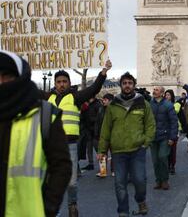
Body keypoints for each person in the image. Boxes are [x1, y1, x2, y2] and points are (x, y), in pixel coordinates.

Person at [0, 50, 72, 217]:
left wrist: (48, 208)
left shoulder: (44, 115)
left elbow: (61, 166)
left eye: (7, 76)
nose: (1, 82)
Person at [45, 59, 111, 217]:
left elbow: (93, 89)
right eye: (59, 81)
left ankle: (72, 204)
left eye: (64, 81)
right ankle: (54, 210)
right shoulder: (47, 97)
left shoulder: (76, 97)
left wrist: (103, 73)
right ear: (55, 83)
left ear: (69, 83)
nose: (62, 84)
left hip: (70, 145)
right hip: (50, 146)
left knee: (72, 182)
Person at [98, 72, 155, 216]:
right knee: (120, 184)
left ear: (134, 86)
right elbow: (106, 129)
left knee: (139, 180)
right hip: (118, 151)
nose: (127, 86)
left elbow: (150, 125)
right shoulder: (112, 106)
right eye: (124, 83)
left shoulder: (144, 104)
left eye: (130, 83)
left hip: (137, 149)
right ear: (121, 85)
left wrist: (146, 142)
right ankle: (123, 211)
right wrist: (102, 150)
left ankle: (140, 200)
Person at [150, 86, 178, 190]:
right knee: (155, 160)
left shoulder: (168, 105)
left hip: (165, 136)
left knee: (162, 157)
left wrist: (172, 137)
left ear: (162, 93)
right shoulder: (150, 104)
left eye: (156, 90)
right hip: (153, 136)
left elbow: (174, 122)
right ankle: (158, 180)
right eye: (153, 90)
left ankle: (165, 180)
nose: (154, 91)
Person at [94, 93, 114, 177]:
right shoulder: (100, 109)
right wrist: (96, 133)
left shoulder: (115, 110)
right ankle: (103, 171)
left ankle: (114, 170)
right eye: (103, 99)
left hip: (113, 135)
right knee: (102, 152)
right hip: (103, 135)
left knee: (114, 154)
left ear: (110, 101)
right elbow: (97, 122)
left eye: (105, 100)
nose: (103, 101)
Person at [164, 89, 182, 175]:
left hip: (174, 130)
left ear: (172, 96)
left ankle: (172, 166)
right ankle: (167, 165)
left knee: (172, 150)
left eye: (168, 95)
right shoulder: (162, 105)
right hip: (164, 130)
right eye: (166, 95)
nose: (167, 96)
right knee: (166, 149)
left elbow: (176, 111)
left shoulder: (176, 104)